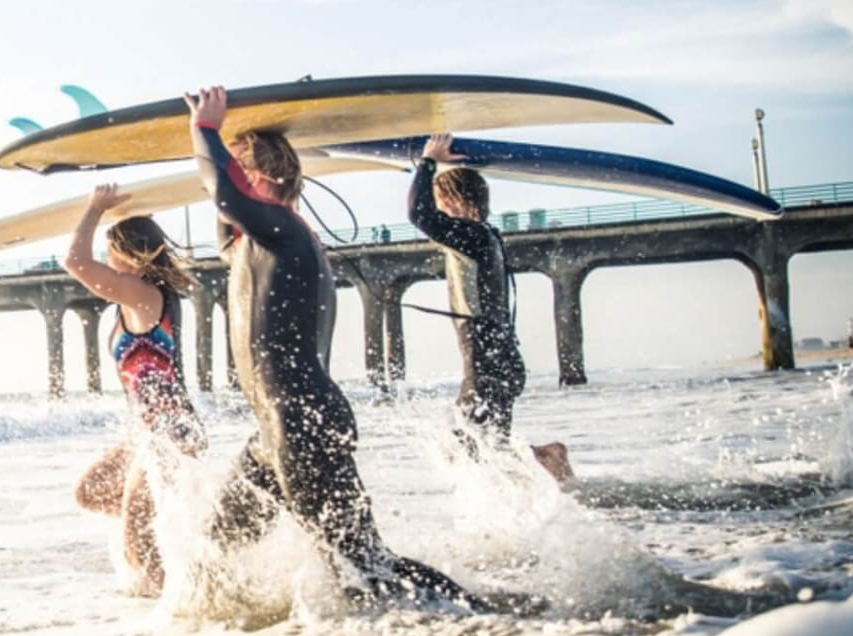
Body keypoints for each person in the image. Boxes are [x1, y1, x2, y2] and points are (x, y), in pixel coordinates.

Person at [185, 86, 482, 607]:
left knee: (361, 564)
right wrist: (216, 153)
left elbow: (226, 196)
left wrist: (205, 131)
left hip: (300, 422)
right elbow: (226, 218)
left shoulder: (285, 232)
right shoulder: (261, 243)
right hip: (276, 430)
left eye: (239, 169)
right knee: (218, 545)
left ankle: (482, 617)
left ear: (258, 178)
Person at [65, 185, 208, 595]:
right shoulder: (130, 301)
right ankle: (178, 542)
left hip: (171, 434)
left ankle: (183, 611)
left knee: (138, 546)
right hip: (146, 435)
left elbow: (74, 261)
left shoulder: (145, 295)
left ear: (128, 254)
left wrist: (94, 207)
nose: (105, 260)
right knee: (90, 492)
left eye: (111, 250)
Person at [410, 134, 572, 484]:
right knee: (480, 447)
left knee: (470, 448)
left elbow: (418, 214)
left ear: (452, 199)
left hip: (486, 361)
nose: (438, 211)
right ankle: (538, 476)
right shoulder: (486, 236)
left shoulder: (472, 235)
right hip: (500, 360)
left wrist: (427, 162)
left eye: (440, 201)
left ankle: (547, 457)